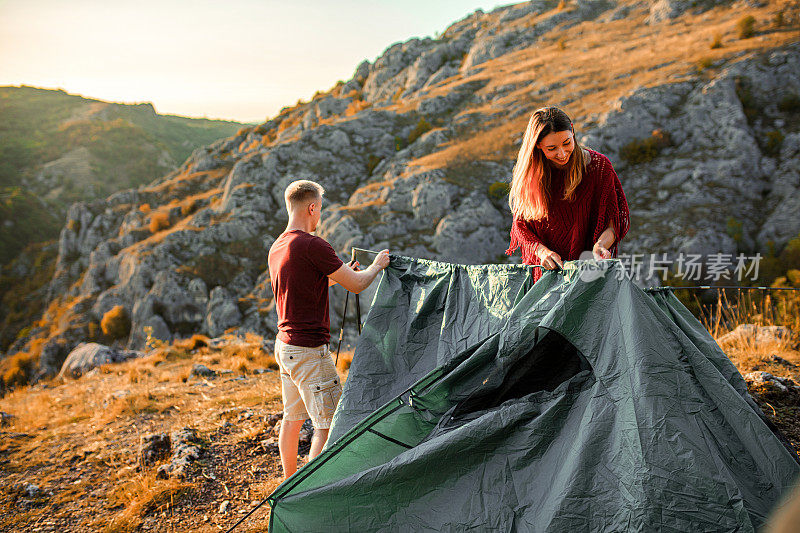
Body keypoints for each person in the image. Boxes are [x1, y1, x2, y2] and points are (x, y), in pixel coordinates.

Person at [268, 179, 390, 479]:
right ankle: (310, 492)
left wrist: (343, 271)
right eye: (319, 209)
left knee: (292, 418)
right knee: (329, 424)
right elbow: (358, 285)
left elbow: (313, 282)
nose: (319, 215)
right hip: (309, 352)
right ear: (312, 207)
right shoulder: (313, 244)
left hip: (285, 347)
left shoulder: (279, 245)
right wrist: (377, 266)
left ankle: (288, 482)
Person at [505, 106, 630, 283]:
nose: (562, 154)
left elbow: (614, 224)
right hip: (544, 276)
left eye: (567, 143)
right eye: (552, 148)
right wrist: (542, 252)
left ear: (572, 130)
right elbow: (521, 226)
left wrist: (601, 246)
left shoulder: (599, 167)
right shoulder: (529, 175)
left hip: (588, 275)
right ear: (538, 145)